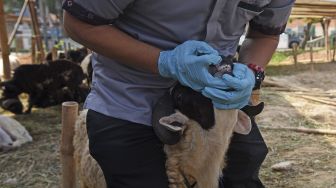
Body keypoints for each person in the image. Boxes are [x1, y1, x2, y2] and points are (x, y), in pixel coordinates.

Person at [62, 0, 294, 187]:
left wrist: (252, 73)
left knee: (242, 172)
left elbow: (265, 35)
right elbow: (78, 23)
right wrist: (164, 61)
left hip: (214, 102)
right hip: (130, 99)